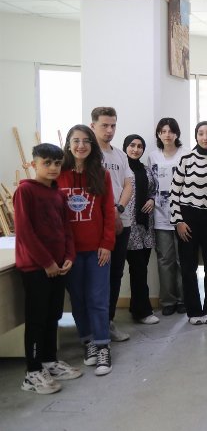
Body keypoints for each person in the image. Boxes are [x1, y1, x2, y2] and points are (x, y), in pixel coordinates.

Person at [14, 143, 80, 394]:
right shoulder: (25, 192)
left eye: (57, 163)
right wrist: (47, 263)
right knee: (37, 318)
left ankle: (49, 361)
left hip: (58, 266)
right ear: (34, 164)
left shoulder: (58, 194)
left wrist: (69, 256)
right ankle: (32, 372)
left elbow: (66, 229)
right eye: (47, 163)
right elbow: (25, 233)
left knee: (53, 315)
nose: (53, 168)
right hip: (36, 268)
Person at [58, 125, 116, 376]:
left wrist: (106, 244)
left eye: (86, 141)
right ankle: (88, 341)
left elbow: (108, 212)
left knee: (98, 298)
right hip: (69, 252)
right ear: (68, 145)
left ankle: (103, 345)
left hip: (97, 250)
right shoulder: (58, 175)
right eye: (76, 140)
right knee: (78, 300)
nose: (81, 146)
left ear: (92, 145)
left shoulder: (101, 175)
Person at [170, 122, 207, 326]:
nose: (205, 137)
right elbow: (174, 193)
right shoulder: (186, 159)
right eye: (201, 133)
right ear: (196, 136)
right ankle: (193, 310)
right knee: (188, 267)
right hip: (188, 218)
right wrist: (178, 221)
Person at [90, 107, 133, 342]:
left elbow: (128, 185)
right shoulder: (87, 154)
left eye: (113, 125)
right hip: (96, 224)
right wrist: (107, 214)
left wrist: (118, 209)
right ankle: (93, 328)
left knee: (116, 273)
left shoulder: (120, 155)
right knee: (97, 276)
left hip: (121, 221)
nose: (109, 130)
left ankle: (108, 322)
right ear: (93, 126)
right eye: (104, 125)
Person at [148, 117, 188, 317]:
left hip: (183, 215)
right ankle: (168, 301)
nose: (167, 135)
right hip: (160, 215)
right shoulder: (153, 156)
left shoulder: (186, 154)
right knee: (165, 260)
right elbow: (151, 184)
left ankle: (183, 299)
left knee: (183, 259)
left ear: (176, 134)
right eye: (163, 131)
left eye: (171, 131)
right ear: (158, 134)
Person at [122, 134, 159, 325]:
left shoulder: (146, 170)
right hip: (126, 226)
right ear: (125, 147)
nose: (136, 149)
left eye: (139, 146)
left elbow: (154, 190)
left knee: (140, 269)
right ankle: (143, 311)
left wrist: (152, 200)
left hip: (145, 227)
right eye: (132, 145)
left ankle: (136, 307)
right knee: (137, 269)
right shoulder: (121, 168)